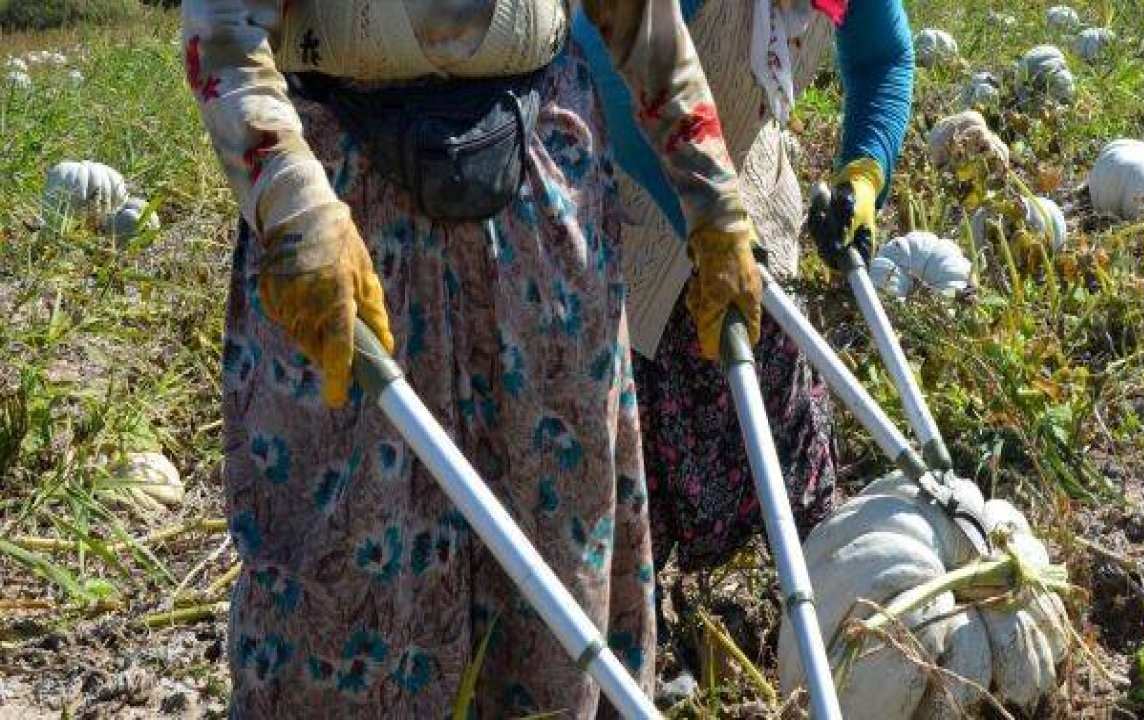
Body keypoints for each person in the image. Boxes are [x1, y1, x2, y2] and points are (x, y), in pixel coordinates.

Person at [181, 0, 763, 716]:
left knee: (553, 535)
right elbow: (224, 39)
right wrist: (294, 208)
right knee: (345, 546)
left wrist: (715, 203)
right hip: (346, 225)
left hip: (540, 212)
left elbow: (644, 23)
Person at [574, 0, 914, 578]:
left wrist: (865, 169)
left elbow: (883, 58)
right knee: (627, 484)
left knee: (787, 437)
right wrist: (707, 217)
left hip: (752, 211)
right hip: (628, 208)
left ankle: (826, 592)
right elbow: (610, 70)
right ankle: (633, 614)